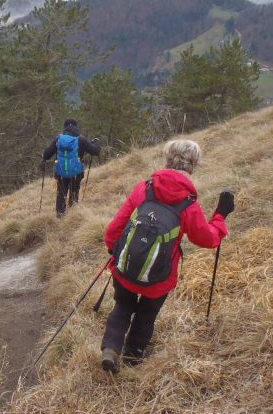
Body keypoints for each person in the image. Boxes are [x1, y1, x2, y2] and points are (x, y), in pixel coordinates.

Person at [100, 139, 234, 374]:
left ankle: (111, 348)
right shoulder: (188, 203)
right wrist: (220, 215)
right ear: (193, 165)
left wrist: (114, 250)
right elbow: (207, 239)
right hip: (161, 277)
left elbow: (116, 226)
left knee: (122, 305)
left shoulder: (144, 188)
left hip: (126, 268)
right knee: (147, 314)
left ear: (168, 158)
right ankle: (134, 356)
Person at [41, 118, 101, 217]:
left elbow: (46, 154)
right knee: (74, 191)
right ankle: (73, 215)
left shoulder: (58, 139)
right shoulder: (81, 139)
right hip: (76, 173)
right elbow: (96, 151)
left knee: (61, 193)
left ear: (65, 127)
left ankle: (60, 216)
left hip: (61, 173)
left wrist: (44, 157)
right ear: (76, 127)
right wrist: (96, 142)